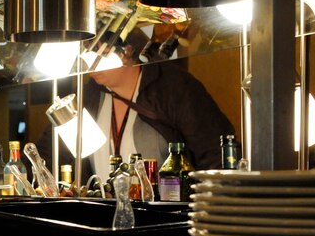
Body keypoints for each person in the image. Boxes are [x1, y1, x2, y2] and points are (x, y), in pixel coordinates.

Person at [38, 43, 234, 182]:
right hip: (107, 212)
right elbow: (50, 152)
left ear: (127, 50)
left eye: (99, 52)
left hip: (166, 215)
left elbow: (217, 152)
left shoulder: (173, 86)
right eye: (85, 54)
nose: (90, 64)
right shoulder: (90, 93)